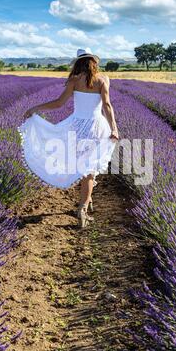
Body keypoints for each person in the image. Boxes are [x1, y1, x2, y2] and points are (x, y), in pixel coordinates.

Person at [20, 48, 119, 228]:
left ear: (78, 63)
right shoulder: (103, 80)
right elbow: (107, 105)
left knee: (82, 165)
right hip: (97, 127)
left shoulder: (74, 80)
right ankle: (83, 207)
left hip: (77, 127)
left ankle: (85, 202)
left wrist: (35, 108)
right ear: (94, 62)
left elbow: (58, 103)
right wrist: (115, 129)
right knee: (90, 169)